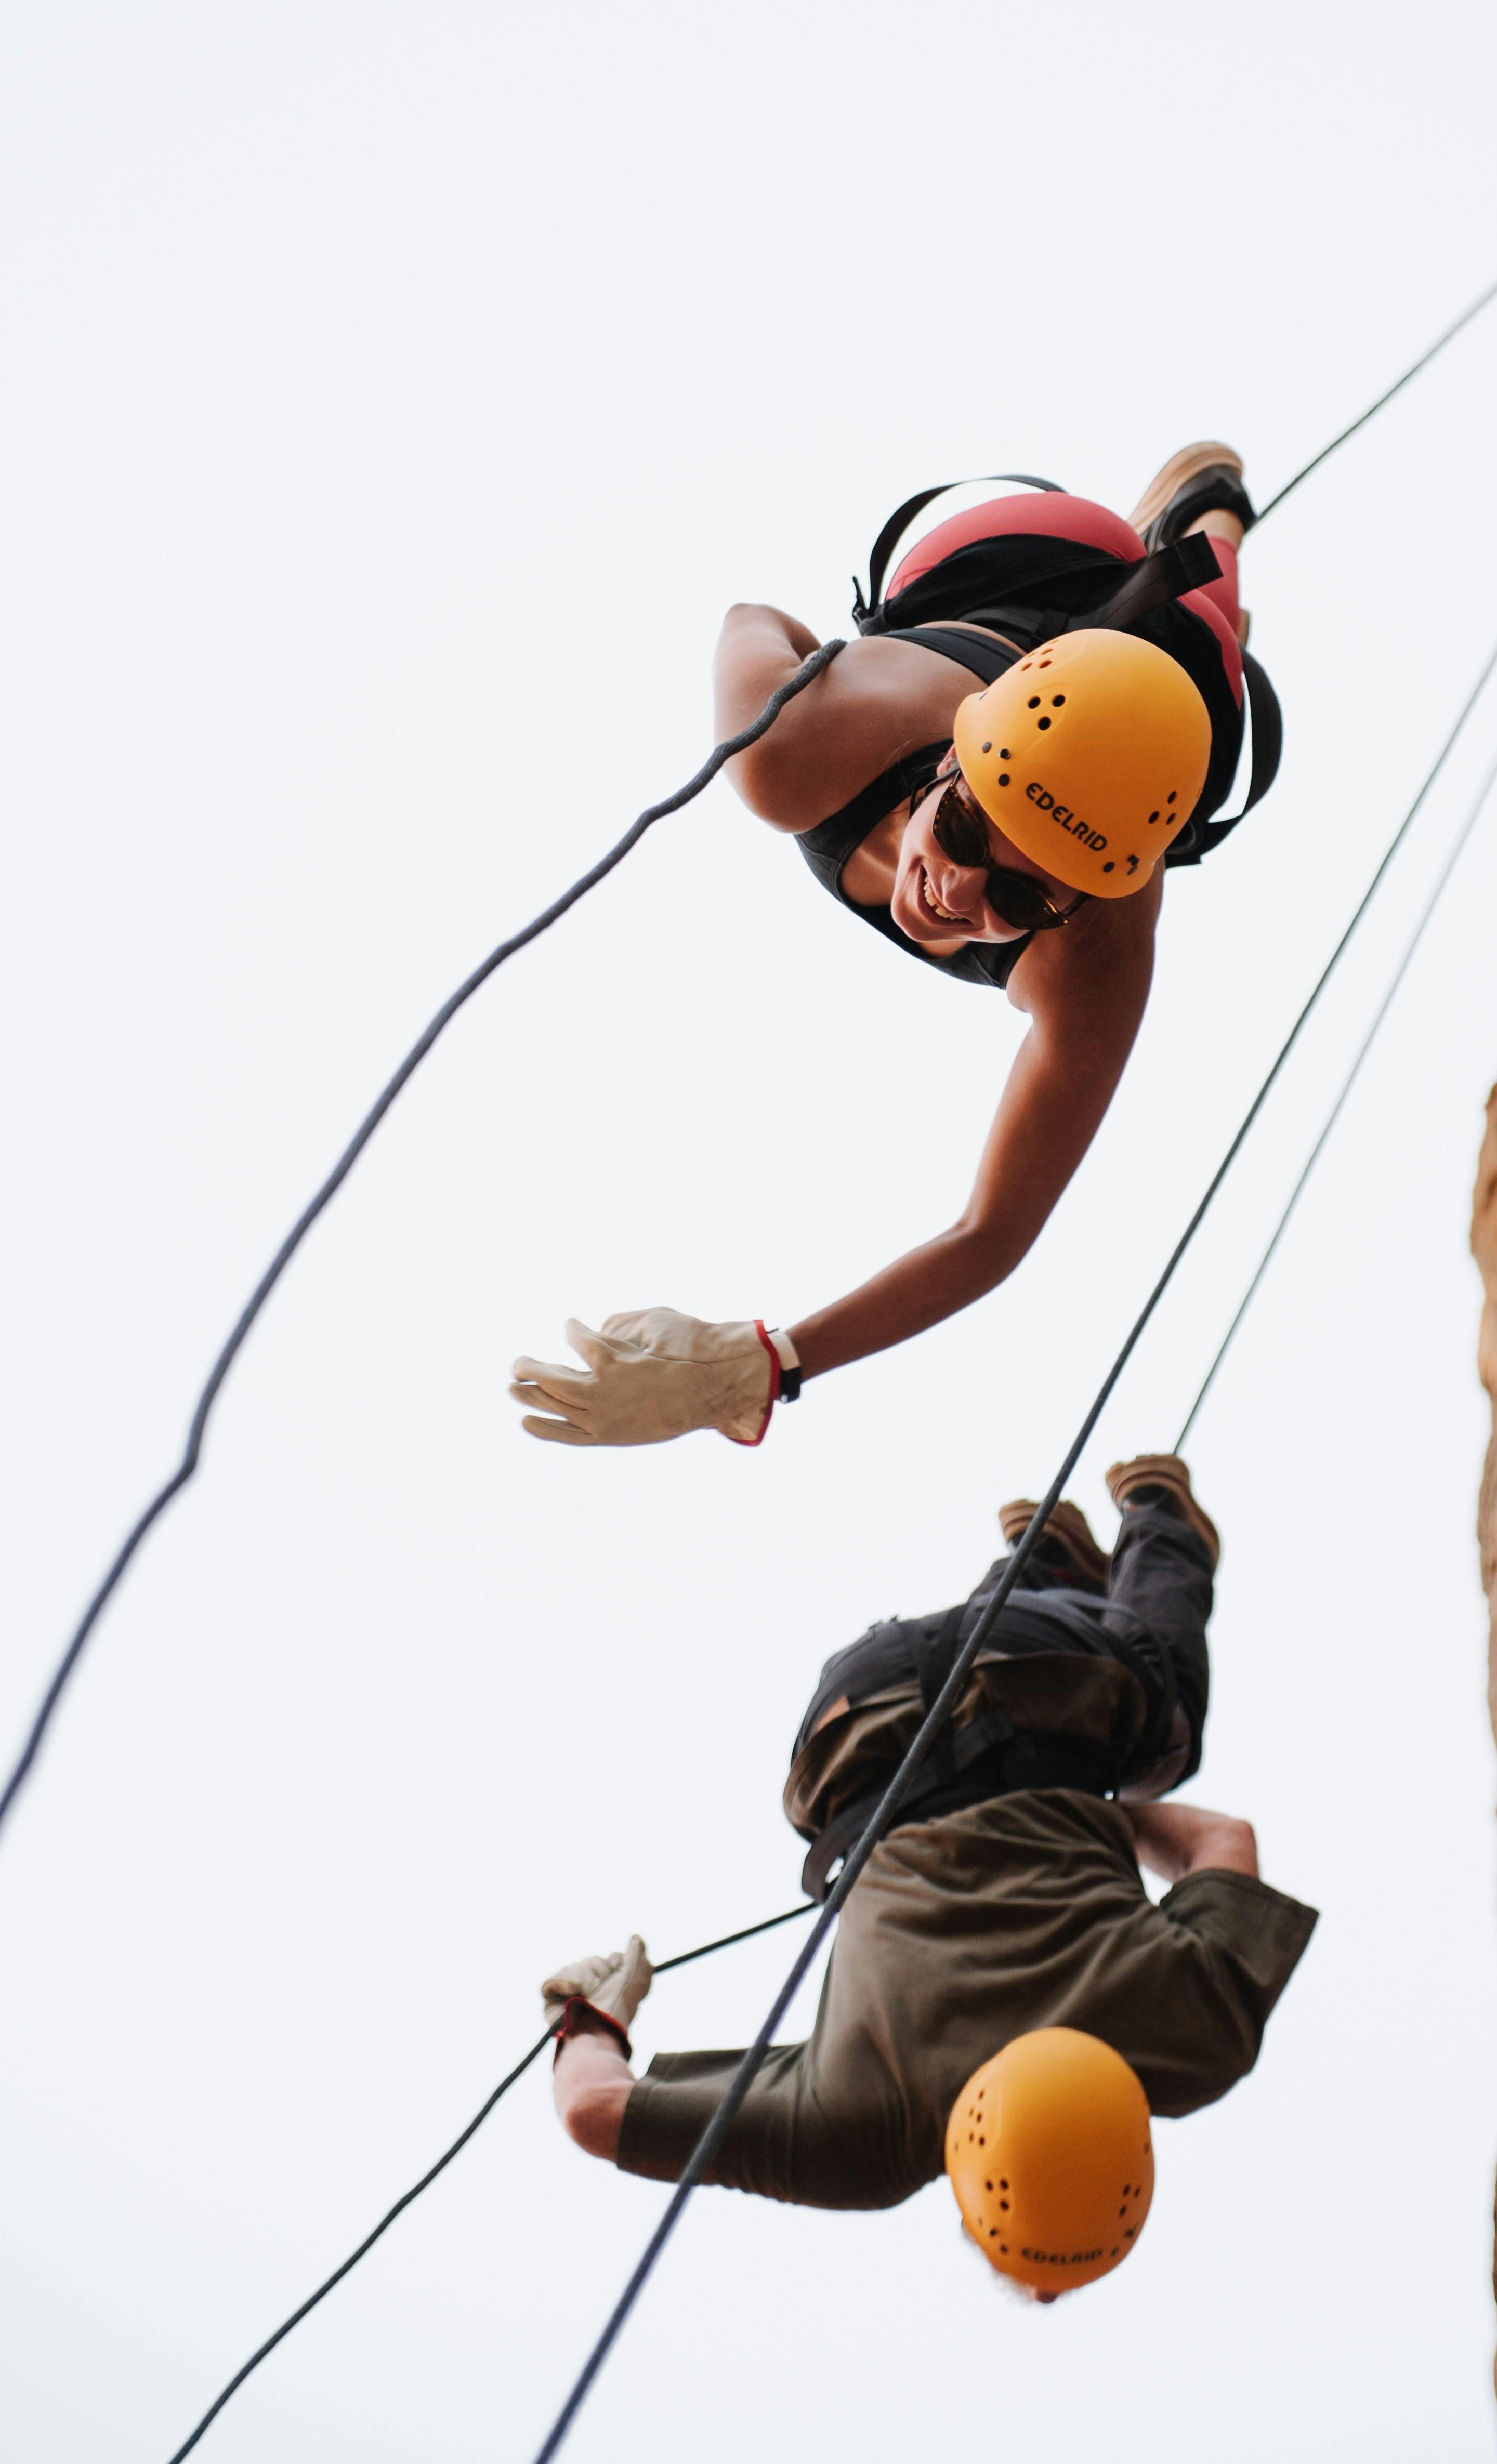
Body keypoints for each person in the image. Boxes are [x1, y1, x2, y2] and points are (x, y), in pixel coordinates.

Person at [509, 449, 1283, 1454]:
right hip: (1028, 564)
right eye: (963, 830)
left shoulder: (1095, 955)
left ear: (1077, 900)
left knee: (1208, 642)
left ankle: (1209, 527)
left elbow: (990, 1234)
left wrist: (762, 1364)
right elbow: (754, 618)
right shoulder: (795, 752)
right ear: (953, 756)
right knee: (1186, 626)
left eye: (1017, 897)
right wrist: (845, 660)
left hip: (1162, 689)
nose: (956, 892)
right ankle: (1177, 556)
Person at [543, 1455, 1315, 2294]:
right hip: (851, 1716)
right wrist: (588, 2018)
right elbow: (593, 2111)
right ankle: (1045, 1559)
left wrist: (1082, 1812)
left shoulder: (1194, 2039)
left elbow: (1220, 1840)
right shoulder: (855, 2140)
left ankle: (1154, 1511)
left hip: (1042, 1666)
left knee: (1162, 1736)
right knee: (985, 1680)